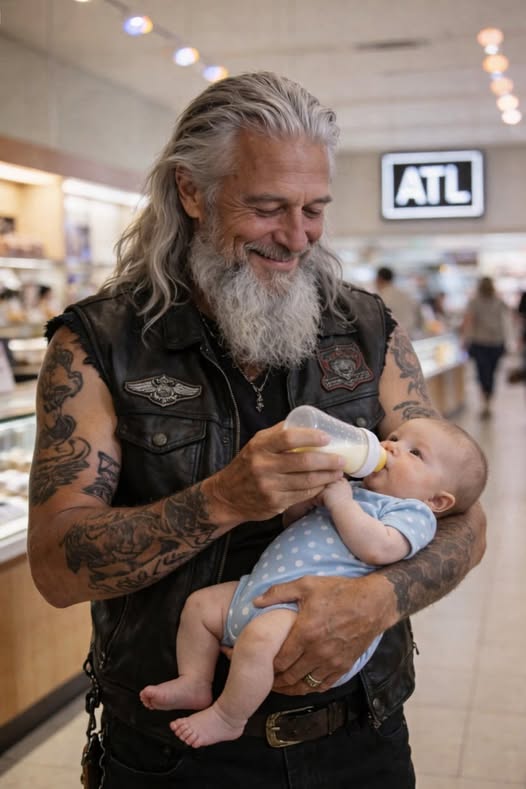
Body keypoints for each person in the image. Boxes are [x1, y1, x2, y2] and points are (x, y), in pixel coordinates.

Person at [27, 72, 486, 789]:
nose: (297, 236)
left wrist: (374, 602)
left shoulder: (367, 330)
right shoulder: (100, 344)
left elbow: (463, 515)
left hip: (358, 735)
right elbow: (55, 567)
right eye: (269, 207)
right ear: (191, 192)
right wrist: (223, 498)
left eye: (313, 209)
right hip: (173, 753)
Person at [140, 417, 487, 748]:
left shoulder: (412, 513)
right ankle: (195, 681)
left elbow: (380, 547)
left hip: (305, 611)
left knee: (259, 640)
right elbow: (294, 523)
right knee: (200, 605)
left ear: (437, 500)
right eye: (394, 439)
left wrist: (340, 503)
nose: (391, 447)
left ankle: (229, 717)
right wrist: (306, 501)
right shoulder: (353, 489)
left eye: (415, 453)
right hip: (259, 592)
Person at [461, 275, 508, 418]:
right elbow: (506, 322)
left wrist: (464, 339)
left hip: (479, 343)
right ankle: (488, 402)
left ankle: (485, 402)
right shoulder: (499, 302)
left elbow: (468, 321)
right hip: (496, 343)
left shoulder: (474, 302)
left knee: (482, 373)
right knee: (491, 374)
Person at [375, 266, 423, 337]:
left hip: (394, 339)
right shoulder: (406, 294)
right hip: (412, 335)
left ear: (379, 279)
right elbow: (419, 315)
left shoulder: (380, 298)